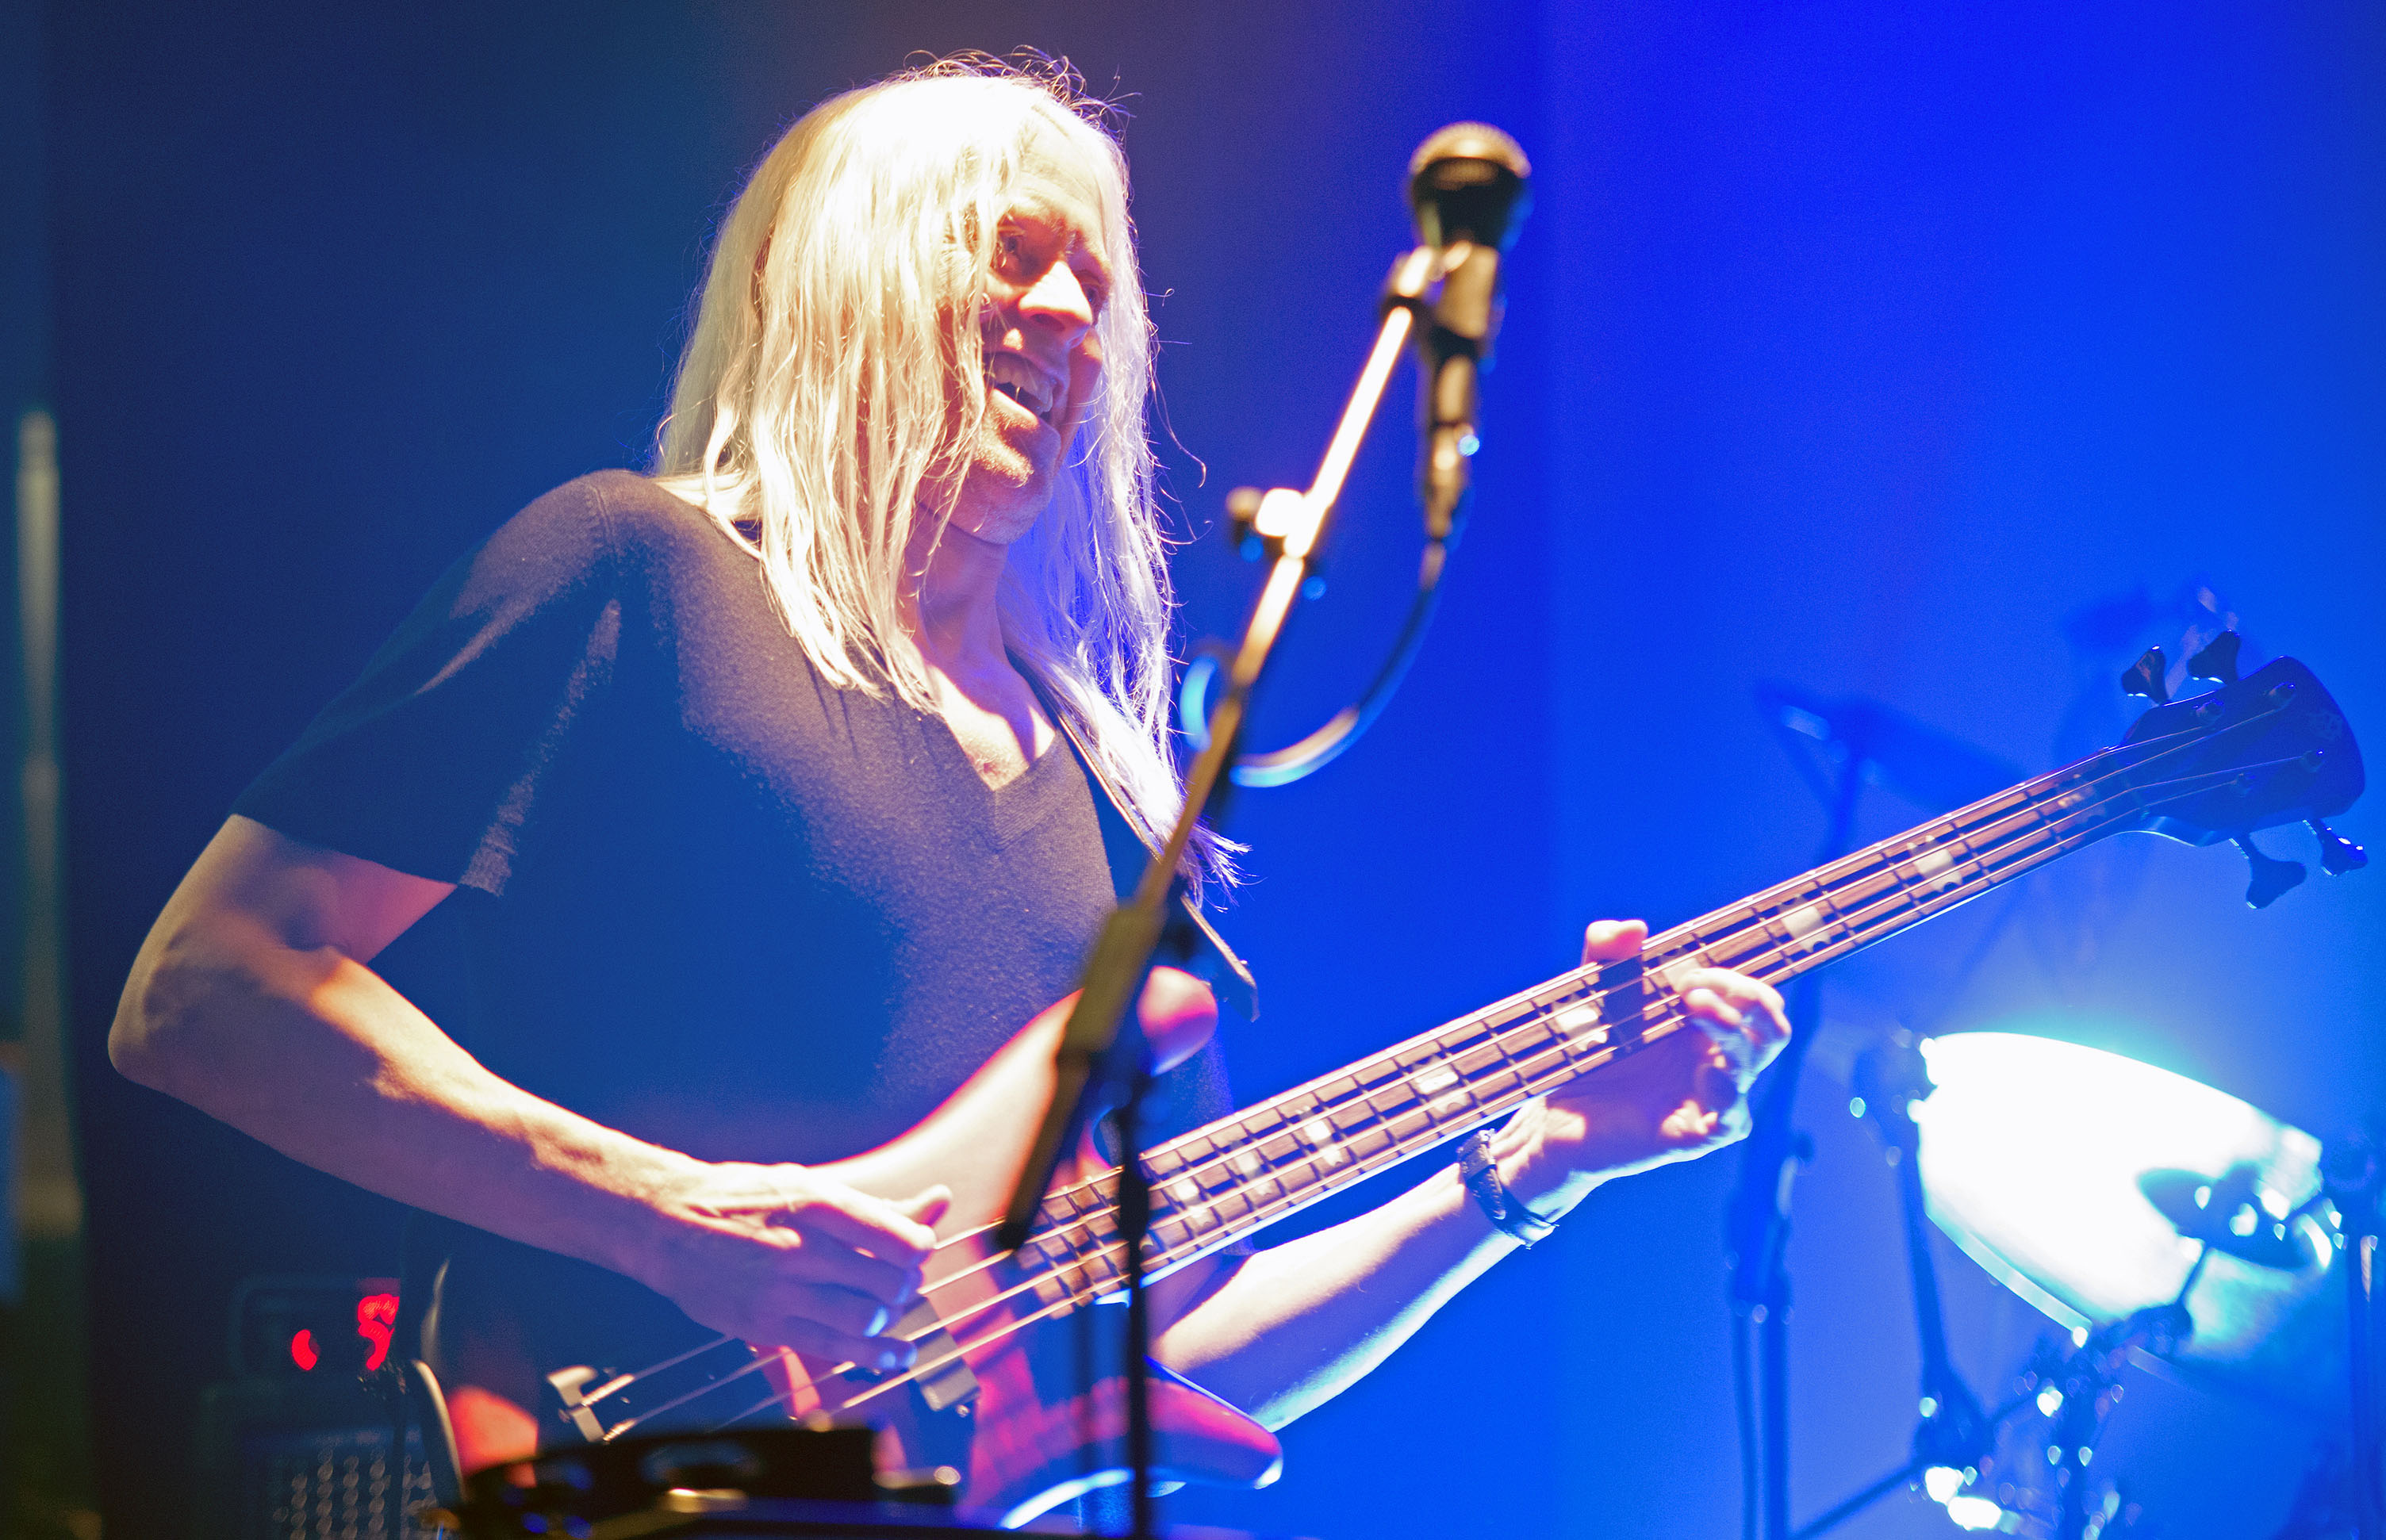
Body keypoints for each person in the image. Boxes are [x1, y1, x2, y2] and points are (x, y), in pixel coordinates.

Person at [109, 54, 1787, 1510]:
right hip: (595, 1452)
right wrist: (665, 1214)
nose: (1068, 312)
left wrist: (1523, 1167)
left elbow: (1168, 1353)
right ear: (839, 284)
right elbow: (206, 985)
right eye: (1010, 255)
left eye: (1094, 284)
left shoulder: (1122, 804)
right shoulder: (634, 570)